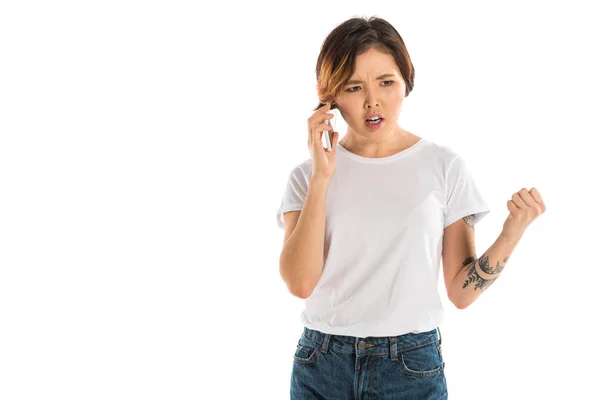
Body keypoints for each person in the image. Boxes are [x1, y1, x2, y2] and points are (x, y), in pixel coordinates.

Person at [277, 15, 528, 399]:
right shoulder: (307, 177)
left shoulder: (443, 167)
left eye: (386, 82)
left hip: (410, 367)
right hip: (321, 364)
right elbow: (300, 283)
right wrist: (321, 179)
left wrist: (512, 233)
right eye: (354, 86)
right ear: (331, 97)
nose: (372, 100)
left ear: (406, 83)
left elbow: (461, 292)